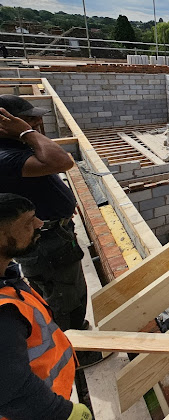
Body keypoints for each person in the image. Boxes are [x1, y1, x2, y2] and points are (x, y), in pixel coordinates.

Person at [0, 193, 93, 420]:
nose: (39, 224)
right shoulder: (4, 314)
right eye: (28, 222)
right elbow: (11, 390)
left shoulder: (7, 279)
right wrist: (63, 413)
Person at [0, 95, 88, 332]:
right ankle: (75, 342)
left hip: (54, 234)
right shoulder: (5, 156)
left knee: (69, 290)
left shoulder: (17, 148)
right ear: (6, 123)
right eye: (28, 119)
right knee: (64, 298)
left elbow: (42, 180)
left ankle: (74, 330)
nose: (37, 122)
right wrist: (26, 132)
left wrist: (63, 207)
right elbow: (62, 161)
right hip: (45, 245)